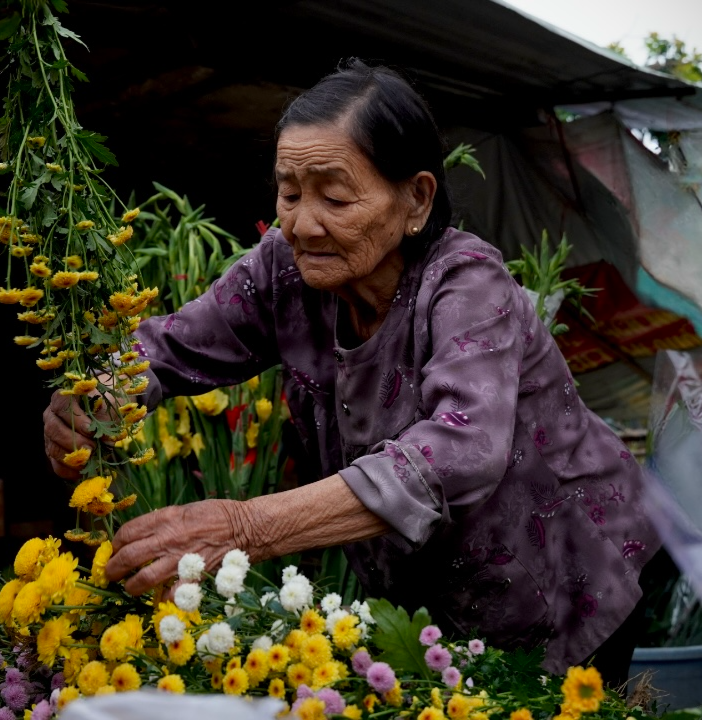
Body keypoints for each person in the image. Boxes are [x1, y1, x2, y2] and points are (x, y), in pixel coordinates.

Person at [43, 59, 660, 678]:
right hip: (437, 600)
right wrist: (99, 393)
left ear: (416, 198)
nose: (304, 223)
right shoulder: (284, 271)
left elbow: (462, 446)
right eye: (289, 193)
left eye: (336, 197)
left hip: (561, 577)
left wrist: (245, 526)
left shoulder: (467, 286)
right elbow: (171, 349)